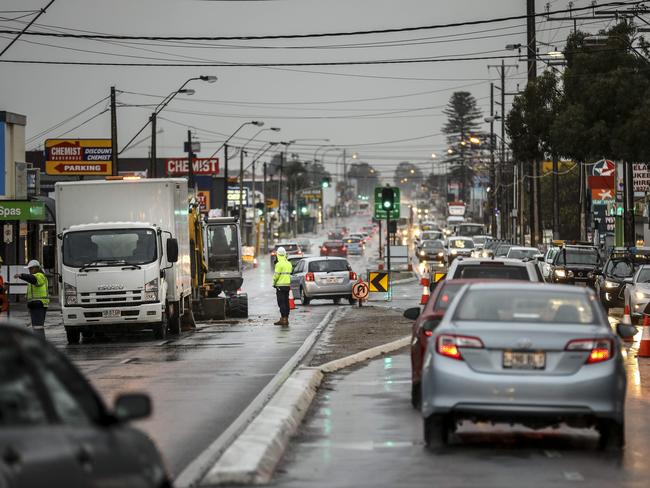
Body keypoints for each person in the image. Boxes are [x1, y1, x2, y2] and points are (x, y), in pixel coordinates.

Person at [14, 260, 49, 338]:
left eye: (31, 268)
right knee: (36, 327)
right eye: (29, 269)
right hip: (35, 304)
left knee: (38, 328)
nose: (29, 270)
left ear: (36, 268)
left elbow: (33, 279)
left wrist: (21, 275)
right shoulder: (35, 276)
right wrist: (27, 297)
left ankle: (40, 344)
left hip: (39, 303)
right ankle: (39, 344)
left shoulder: (39, 275)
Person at [272, 246, 292, 326]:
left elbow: (276, 276)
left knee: (281, 302)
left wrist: (274, 283)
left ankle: (283, 319)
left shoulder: (279, 264)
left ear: (278, 255)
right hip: (287, 285)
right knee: (286, 302)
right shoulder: (288, 263)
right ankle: (286, 318)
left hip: (280, 286)